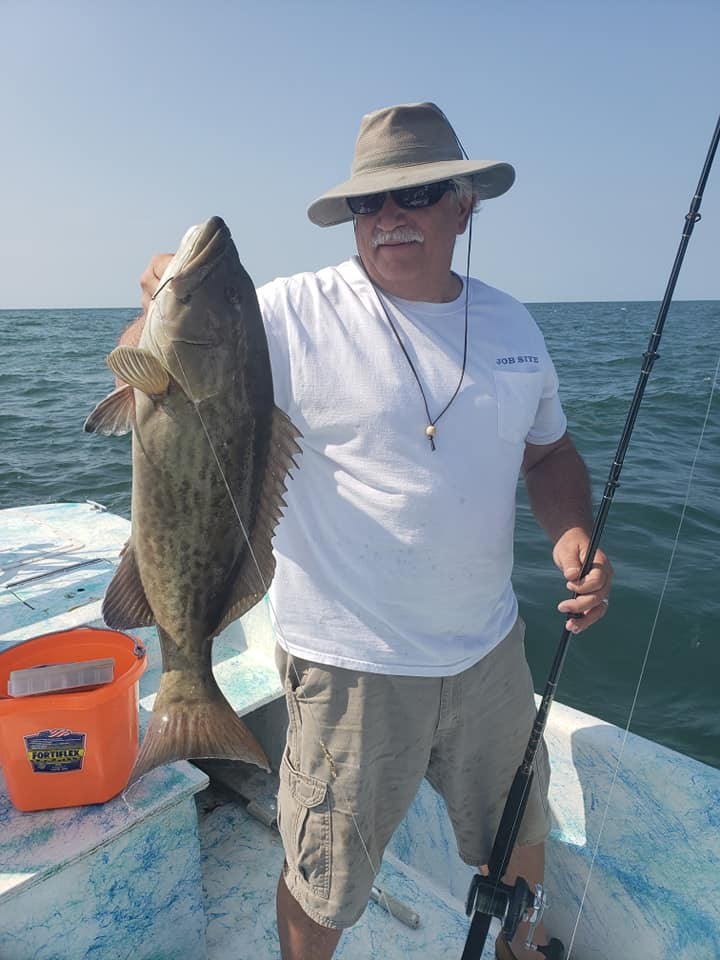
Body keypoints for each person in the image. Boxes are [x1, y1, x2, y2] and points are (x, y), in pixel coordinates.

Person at [132, 102, 612, 960]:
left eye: (417, 193)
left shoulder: (514, 327)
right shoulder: (287, 313)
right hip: (349, 670)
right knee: (324, 883)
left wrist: (571, 533)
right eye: (368, 203)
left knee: (517, 833)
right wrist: (164, 289)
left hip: (490, 655)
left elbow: (551, 453)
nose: (388, 216)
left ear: (466, 204)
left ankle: (520, 948)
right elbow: (177, 350)